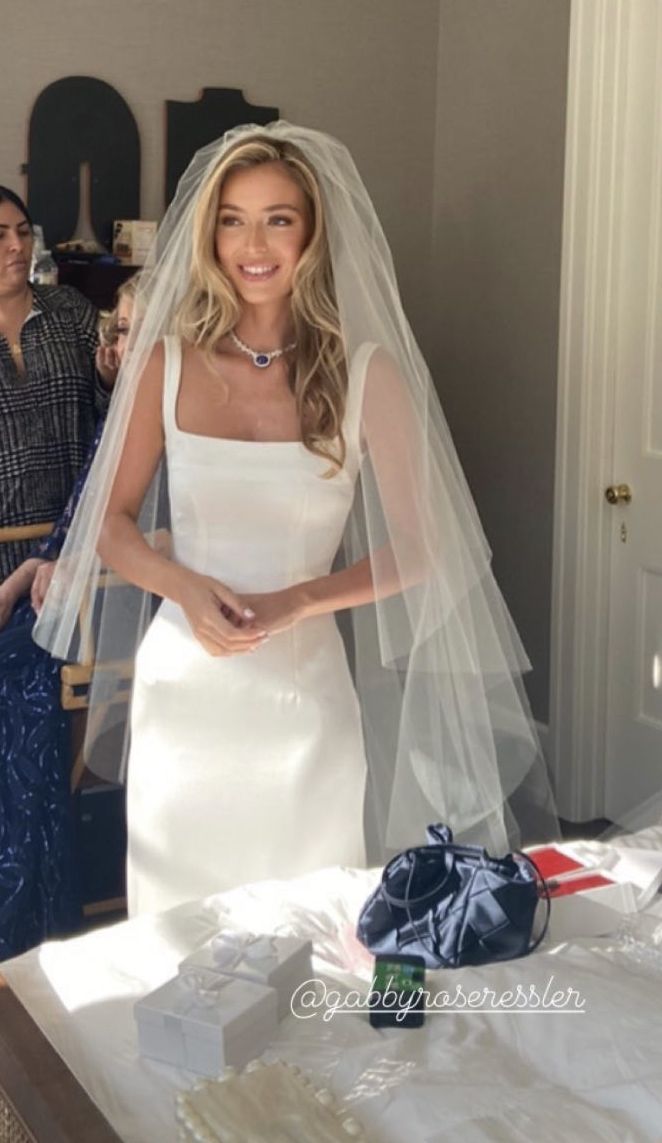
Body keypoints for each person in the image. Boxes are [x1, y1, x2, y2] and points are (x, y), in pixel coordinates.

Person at [35, 123, 558, 918]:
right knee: (179, 938)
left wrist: (297, 601)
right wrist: (184, 585)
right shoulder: (163, 363)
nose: (254, 242)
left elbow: (423, 548)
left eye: (278, 218)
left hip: (304, 702)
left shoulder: (367, 373)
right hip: (186, 697)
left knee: (312, 932)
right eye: (233, 218)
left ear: (312, 234)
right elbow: (111, 523)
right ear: (209, 234)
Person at [0, 268, 131, 958]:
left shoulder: (148, 420)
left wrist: (47, 570)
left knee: (16, 689)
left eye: (135, 333)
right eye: (119, 332)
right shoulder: (123, 427)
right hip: (54, 578)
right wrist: (31, 568)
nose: (119, 345)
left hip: (104, 606)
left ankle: (29, 904)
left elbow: (142, 534)